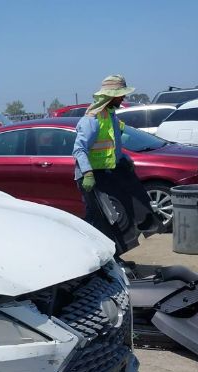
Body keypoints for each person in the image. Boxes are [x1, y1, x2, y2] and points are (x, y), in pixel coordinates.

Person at [73, 75, 159, 255]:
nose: (123, 98)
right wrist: (87, 173)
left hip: (106, 173)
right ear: (110, 96)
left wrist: (124, 158)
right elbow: (79, 150)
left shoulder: (110, 116)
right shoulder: (92, 120)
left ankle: (114, 258)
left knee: (121, 215)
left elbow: (113, 145)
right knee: (102, 219)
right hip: (90, 177)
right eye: (120, 95)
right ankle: (98, 260)